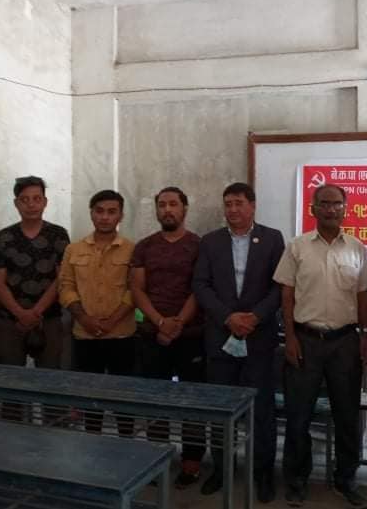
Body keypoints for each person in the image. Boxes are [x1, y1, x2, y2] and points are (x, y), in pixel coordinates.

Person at [274, 184, 367, 509]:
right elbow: (286, 295)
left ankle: (346, 480)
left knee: (347, 415)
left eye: (337, 203)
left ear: (346, 208)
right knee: (298, 415)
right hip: (305, 340)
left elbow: (363, 295)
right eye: (324, 203)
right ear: (313, 208)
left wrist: (364, 336)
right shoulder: (297, 247)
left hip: (345, 343)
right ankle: (296, 480)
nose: (331, 209)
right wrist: (289, 337)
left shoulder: (357, 248)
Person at [193, 182, 284, 503]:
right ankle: (221, 469)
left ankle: (263, 473)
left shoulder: (272, 239)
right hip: (221, 337)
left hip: (259, 339)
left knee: (262, 411)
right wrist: (228, 317)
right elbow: (201, 285)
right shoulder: (210, 241)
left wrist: (255, 317)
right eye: (228, 204)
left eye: (238, 203)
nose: (232, 209)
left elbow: (280, 287)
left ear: (252, 206)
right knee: (220, 407)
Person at [131, 186, 206, 488]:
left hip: (192, 334)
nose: (167, 210)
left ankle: (191, 464)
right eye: (162, 205)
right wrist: (160, 322)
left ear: (185, 208)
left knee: (192, 401)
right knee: (155, 400)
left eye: (173, 204)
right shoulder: (145, 246)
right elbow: (137, 289)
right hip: (152, 334)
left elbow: (200, 287)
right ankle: (157, 460)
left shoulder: (199, 245)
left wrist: (178, 323)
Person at [58, 190, 135, 435]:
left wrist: (112, 321)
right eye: (99, 211)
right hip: (85, 334)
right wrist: (84, 318)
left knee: (124, 398)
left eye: (111, 212)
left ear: (121, 215)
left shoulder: (132, 249)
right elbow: (65, 287)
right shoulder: (73, 249)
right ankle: (93, 445)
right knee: (90, 397)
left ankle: (126, 445)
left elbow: (134, 290)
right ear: (91, 214)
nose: (105, 217)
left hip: (122, 335)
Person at [0, 176, 69, 369]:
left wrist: (35, 313)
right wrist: (20, 314)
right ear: (16, 203)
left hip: (48, 318)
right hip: (10, 320)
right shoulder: (3, 237)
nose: (31, 205)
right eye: (25, 199)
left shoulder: (58, 235)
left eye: (36, 199)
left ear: (45, 202)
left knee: (49, 378)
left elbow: (61, 278)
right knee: (10, 377)